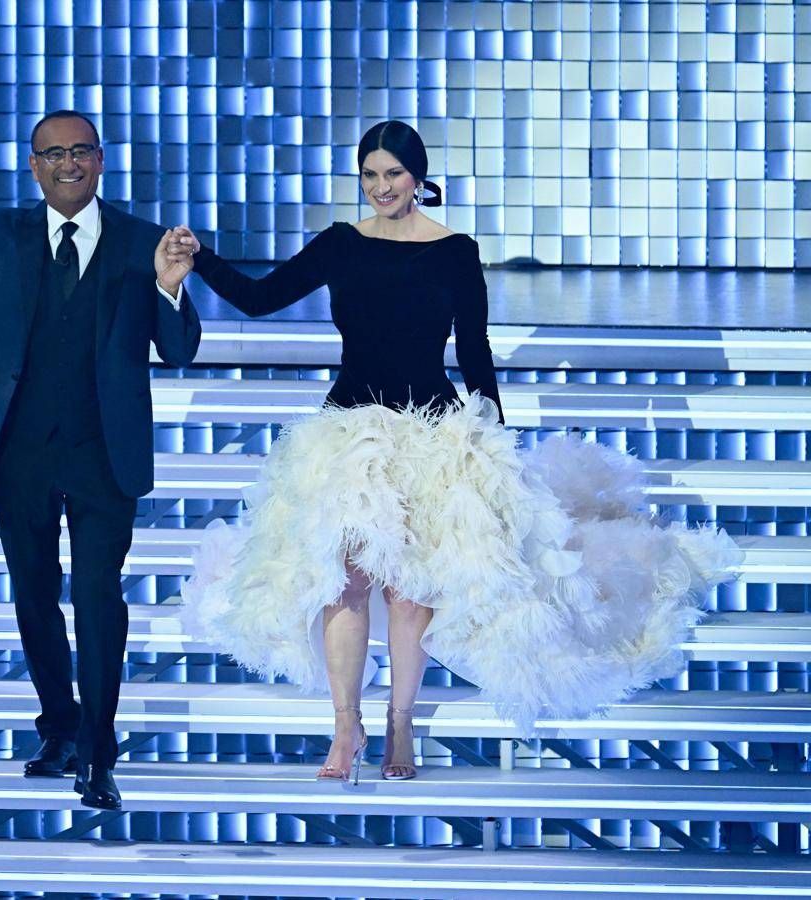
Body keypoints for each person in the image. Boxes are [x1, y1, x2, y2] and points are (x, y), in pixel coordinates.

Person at [171, 120, 740, 783]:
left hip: (432, 435)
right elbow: (260, 298)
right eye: (370, 175)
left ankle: (400, 722)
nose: (381, 186)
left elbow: (473, 346)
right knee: (343, 580)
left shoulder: (454, 252)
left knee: (410, 587)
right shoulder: (340, 243)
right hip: (350, 433)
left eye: (393, 173)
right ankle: (345, 725)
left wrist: (491, 430)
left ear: (418, 178)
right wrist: (201, 257)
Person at [0, 112, 202, 810]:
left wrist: (170, 286)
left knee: (96, 595)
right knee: (33, 592)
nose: (68, 164)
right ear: (34, 167)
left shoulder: (143, 241)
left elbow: (178, 349)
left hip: (103, 449)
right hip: (17, 446)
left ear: (101, 160)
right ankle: (60, 727)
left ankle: (98, 751)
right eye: (53, 154)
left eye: (80, 151)